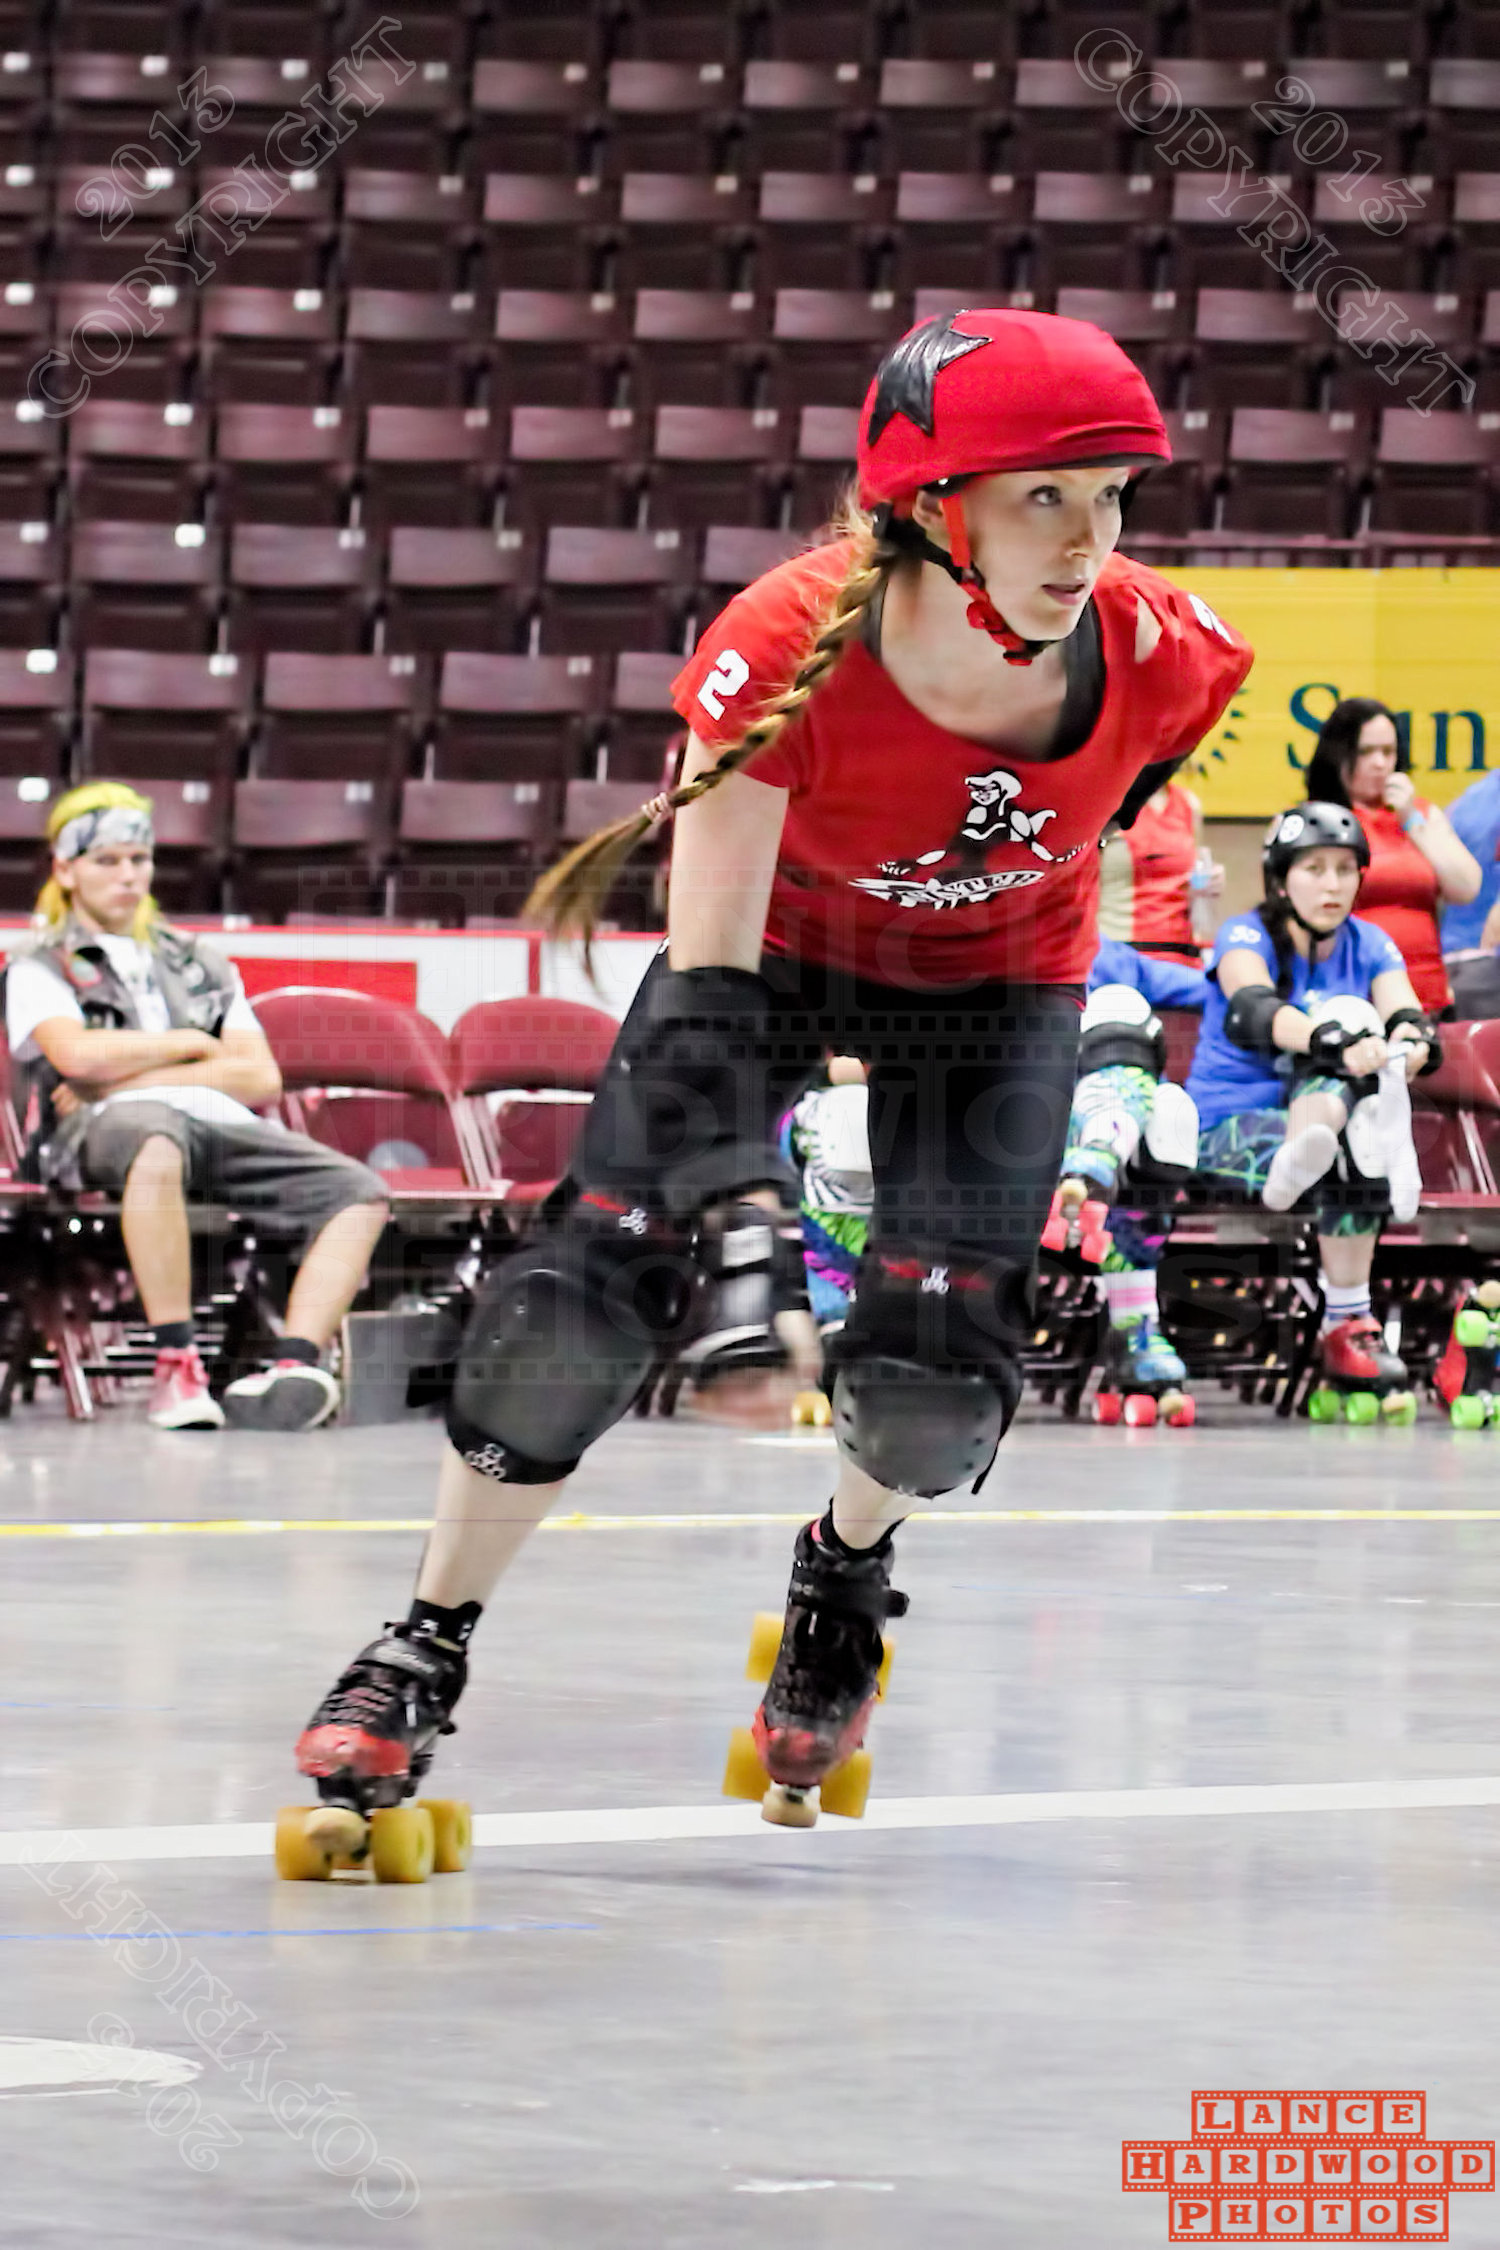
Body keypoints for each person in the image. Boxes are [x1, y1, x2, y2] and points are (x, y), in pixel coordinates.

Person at [290, 306, 1254, 1850]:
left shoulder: (1165, 653)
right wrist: (737, 1224)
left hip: (1000, 987)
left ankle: (843, 1577)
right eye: (1045, 497)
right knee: (581, 1299)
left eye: (1112, 496)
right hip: (775, 961)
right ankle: (426, 1637)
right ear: (931, 509)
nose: (1091, 542)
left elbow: (1103, 813)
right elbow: (713, 980)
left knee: (937, 1368)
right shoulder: (781, 648)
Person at [4, 783, 390, 1431]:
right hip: (95, 1133)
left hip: (211, 1122)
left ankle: (294, 1364)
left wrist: (122, 1075)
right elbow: (76, 1056)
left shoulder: (199, 963)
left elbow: (259, 1076)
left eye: (139, 859)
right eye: (107, 861)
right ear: (65, 870)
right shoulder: (40, 964)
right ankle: (176, 1365)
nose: (128, 875)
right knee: (157, 1141)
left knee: (358, 1191)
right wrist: (190, 1043)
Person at [1185, 802, 1440, 1419]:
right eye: (1315, 869)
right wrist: (1335, 1042)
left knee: (1352, 1138)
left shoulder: (1370, 943)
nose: (1333, 884)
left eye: (1345, 870)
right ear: (1280, 879)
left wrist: (1410, 1045)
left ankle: (1347, 1326)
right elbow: (1252, 1008)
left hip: (1329, 1129)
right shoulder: (1246, 933)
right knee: (1350, 1121)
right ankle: (1347, 1322)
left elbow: (1407, 1012)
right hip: (1228, 1126)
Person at [1043, 935, 1207, 1421]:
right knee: (1114, 1005)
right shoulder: (1001, 944)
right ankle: (1096, 1158)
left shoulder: (1109, 955)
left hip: (1118, 1142)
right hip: (1023, 1116)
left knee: (1172, 1109)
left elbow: (1215, 989)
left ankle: (1135, 1328)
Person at [1303, 697, 1479, 1017]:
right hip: (1349, 999)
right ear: (1338, 754)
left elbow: (1466, 888)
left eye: (1388, 751)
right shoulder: (1313, 820)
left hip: (1427, 997)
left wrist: (1411, 820)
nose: (1380, 763)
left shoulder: (1421, 815)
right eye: (1365, 752)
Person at [1097, 777, 1223, 961]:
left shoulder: (1188, 803)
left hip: (1180, 951)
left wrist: (1208, 883)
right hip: (1120, 951)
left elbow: (1193, 874)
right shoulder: (1107, 801)